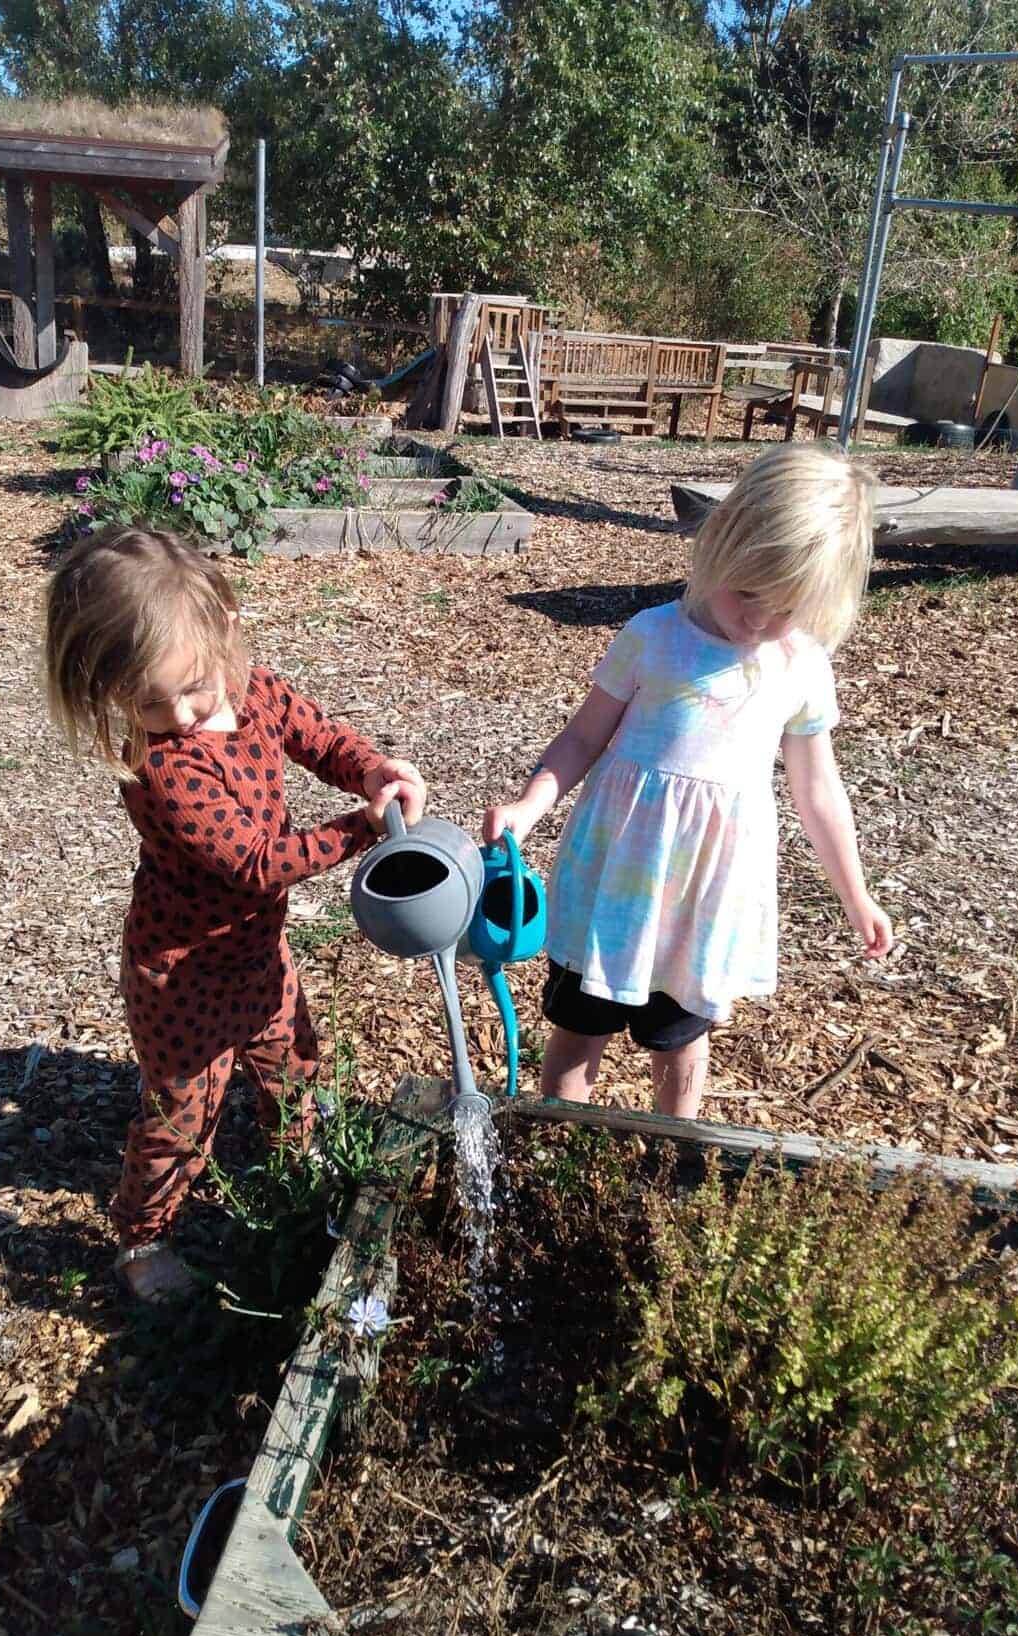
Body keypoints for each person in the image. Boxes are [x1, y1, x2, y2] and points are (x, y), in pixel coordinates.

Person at [44, 526, 425, 1300]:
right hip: (181, 977)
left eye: (193, 689)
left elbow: (321, 739)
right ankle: (143, 1243)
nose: (181, 714)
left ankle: (297, 1170)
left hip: (257, 955)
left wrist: (374, 770)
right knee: (182, 1116)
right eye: (150, 701)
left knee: (296, 1065)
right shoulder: (165, 770)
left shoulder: (253, 691)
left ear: (224, 633)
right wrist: (362, 827)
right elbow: (255, 863)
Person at [483, 442, 892, 1120]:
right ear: (720, 542)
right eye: (749, 593)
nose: (759, 619)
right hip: (616, 883)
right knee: (580, 1028)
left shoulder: (800, 666)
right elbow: (584, 736)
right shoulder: (654, 636)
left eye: (785, 606)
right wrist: (531, 806)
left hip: (708, 898)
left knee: (680, 1043)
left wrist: (856, 895)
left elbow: (819, 790)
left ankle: (672, 1161)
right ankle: (558, 1147)